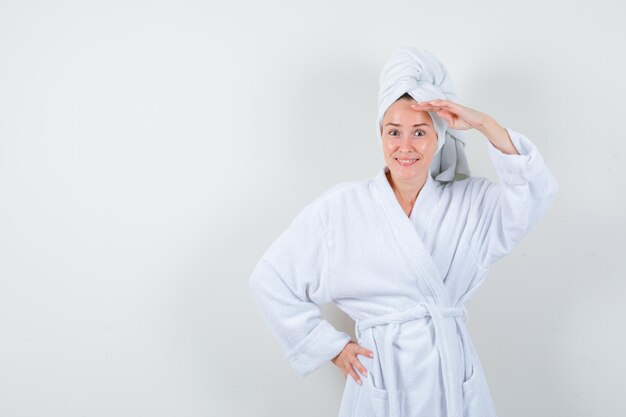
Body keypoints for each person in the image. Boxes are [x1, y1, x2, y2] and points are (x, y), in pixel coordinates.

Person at [248, 48, 559, 417]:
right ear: (380, 134)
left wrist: (483, 123)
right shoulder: (339, 210)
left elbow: (534, 196)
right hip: (382, 383)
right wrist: (328, 346)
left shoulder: (471, 203)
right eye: (394, 132)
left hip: (452, 379)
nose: (405, 146)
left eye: (420, 132)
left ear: (439, 137)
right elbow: (269, 279)